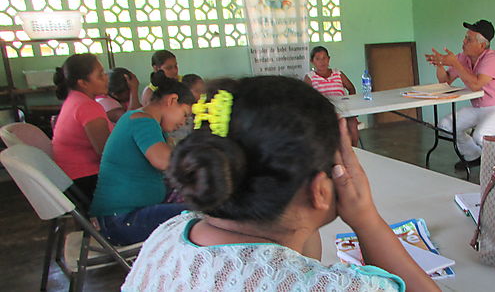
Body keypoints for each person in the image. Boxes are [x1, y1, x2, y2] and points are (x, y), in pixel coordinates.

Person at [122, 76, 439, 292]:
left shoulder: (168, 236)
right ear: (320, 189)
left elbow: (301, 251)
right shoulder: (324, 287)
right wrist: (366, 217)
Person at [89, 71, 195, 245]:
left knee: (195, 199)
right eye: (184, 114)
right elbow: (163, 161)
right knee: (202, 216)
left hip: (121, 216)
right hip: (122, 220)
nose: (183, 122)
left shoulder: (142, 119)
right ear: (172, 100)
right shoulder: (143, 121)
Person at [425, 19, 495, 169]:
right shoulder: (462, 58)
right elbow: (445, 81)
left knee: (480, 135)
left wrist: (455, 63)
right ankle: (474, 155)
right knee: (446, 126)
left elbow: (476, 84)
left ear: (481, 45)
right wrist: (440, 65)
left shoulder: (492, 58)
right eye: (465, 37)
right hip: (479, 107)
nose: (464, 41)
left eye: (469, 39)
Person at [51, 53, 112, 201]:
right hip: (86, 181)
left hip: (71, 180)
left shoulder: (74, 100)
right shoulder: (87, 106)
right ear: (83, 83)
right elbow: (106, 152)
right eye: (100, 75)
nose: (106, 78)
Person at [304, 46, 360, 146]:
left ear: (329, 59)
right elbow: (306, 96)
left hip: (342, 109)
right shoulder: (310, 77)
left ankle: (354, 150)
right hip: (323, 112)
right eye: (318, 59)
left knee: (352, 123)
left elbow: (351, 88)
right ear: (312, 61)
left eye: (324, 58)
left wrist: (349, 102)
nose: (322, 62)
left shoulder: (338, 74)